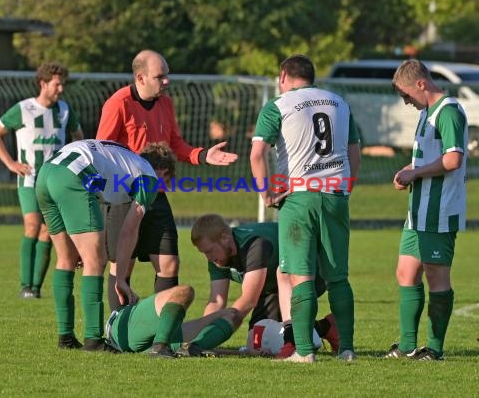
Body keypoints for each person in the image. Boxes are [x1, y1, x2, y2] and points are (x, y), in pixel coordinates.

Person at [96, 49, 237, 310]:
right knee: (122, 266)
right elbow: (102, 153)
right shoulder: (118, 103)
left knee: (169, 263)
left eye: (166, 76)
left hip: (157, 195)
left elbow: (175, 144)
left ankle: (163, 335)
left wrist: (204, 156)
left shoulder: (166, 104)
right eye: (160, 76)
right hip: (124, 197)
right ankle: (118, 332)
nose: (166, 82)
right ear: (140, 78)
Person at [250, 54, 361, 363]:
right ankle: (348, 349)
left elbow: (257, 154)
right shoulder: (339, 103)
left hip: (299, 197)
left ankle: (303, 351)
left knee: (301, 277)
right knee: (338, 277)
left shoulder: (278, 105)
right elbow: (355, 153)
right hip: (335, 194)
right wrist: (344, 189)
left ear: (284, 76)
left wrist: (265, 193)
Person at [35, 140, 175, 351]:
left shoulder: (122, 161)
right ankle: (93, 340)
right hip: (74, 175)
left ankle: (66, 337)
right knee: (96, 261)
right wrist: (119, 279)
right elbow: (129, 230)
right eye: (169, 182)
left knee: (66, 259)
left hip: (46, 172)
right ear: (163, 172)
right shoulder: (149, 178)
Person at [384, 59, 468, 361]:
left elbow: (453, 160)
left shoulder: (449, 112)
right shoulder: (426, 113)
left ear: (421, 84)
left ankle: (434, 349)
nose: (406, 101)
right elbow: (427, 158)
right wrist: (407, 170)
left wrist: (415, 174)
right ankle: (407, 346)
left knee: (436, 278)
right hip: (417, 210)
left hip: (440, 210)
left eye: (407, 95)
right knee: (405, 272)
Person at [0, 62, 84, 299]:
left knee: (48, 232)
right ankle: (24, 285)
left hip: (55, 181)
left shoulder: (64, 110)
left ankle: (35, 288)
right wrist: (11, 163)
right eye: (57, 84)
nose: (61, 89)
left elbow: (78, 138)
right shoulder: (23, 109)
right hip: (29, 179)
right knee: (32, 225)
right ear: (43, 83)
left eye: (63, 84)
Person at [189, 214, 339, 357]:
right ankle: (325, 328)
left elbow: (248, 301)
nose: (208, 257)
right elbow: (217, 302)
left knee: (275, 340)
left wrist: (204, 342)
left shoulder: (255, 244)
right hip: (272, 284)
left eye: (209, 251)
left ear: (225, 238)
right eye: (204, 253)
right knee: (256, 341)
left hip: (308, 273)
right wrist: (203, 337)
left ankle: (323, 328)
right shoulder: (217, 256)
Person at [105, 284, 242, 358]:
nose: (209, 257)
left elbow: (213, 351)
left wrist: (243, 353)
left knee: (233, 316)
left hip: (164, 332)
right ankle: (159, 348)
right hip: (124, 330)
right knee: (184, 291)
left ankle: (190, 349)